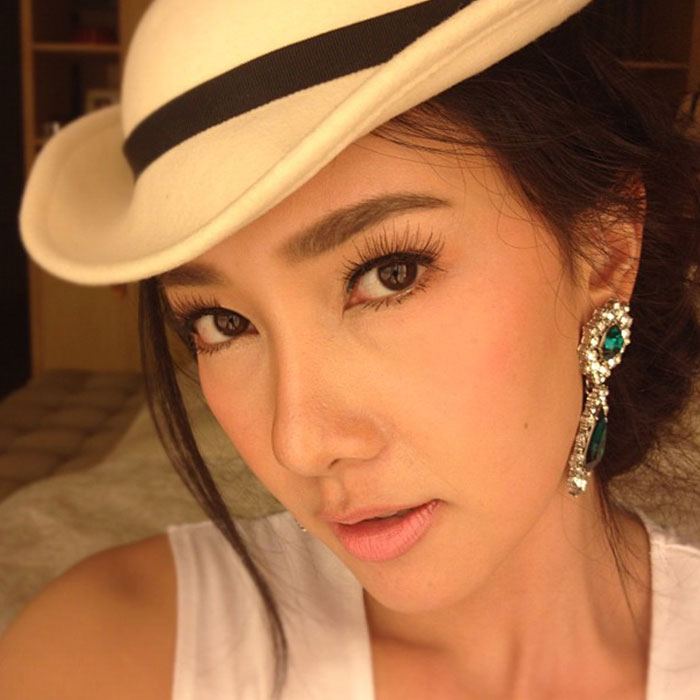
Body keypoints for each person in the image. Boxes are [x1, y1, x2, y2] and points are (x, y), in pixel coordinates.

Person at [1, 0, 700, 697]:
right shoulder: (100, 657)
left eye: (389, 274)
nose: (300, 444)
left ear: (607, 250)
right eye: (220, 322)